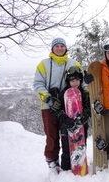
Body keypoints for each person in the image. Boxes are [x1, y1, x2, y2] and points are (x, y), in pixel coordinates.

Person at [33, 37, 86, 171]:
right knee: (52, 136)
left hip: (70, 106)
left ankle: (69, 161)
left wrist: (88, 85)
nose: (60, 48)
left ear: (66, 48)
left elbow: (82, 81)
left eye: (62, 46)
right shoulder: (43, 64)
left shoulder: (73, 62)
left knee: (68, 135)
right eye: (57, 46)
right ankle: (52, 161)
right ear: (52, 48)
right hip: (49, 105)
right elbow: (38, 84)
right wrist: (48, 98)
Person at [49, 66, 91, 171]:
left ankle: (80, 167)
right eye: (72, 80)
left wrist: (85, 116)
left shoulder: (84, 93)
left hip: (81, 127)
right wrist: (65, 119)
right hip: (66, 128)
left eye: (77, 80)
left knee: (81, 147)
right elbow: (54, 111)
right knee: (67, 149)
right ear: (68, 81)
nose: (75, 82)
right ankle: (66, 170)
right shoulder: (63, 94)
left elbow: (89, 107)